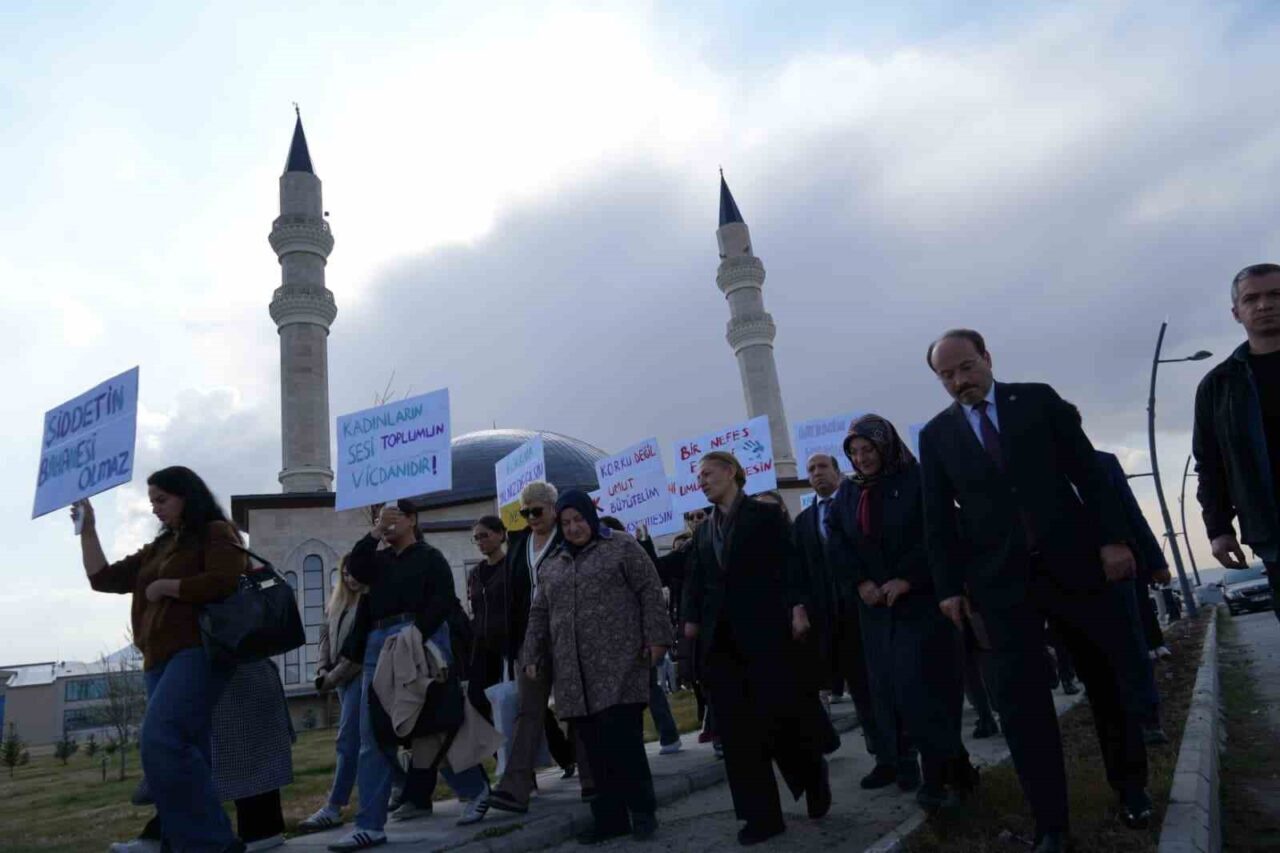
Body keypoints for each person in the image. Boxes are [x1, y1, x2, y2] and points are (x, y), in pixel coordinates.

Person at [919, 329, 1151, 853]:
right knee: (1022, 708)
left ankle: (1131, 788)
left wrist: (1114, 540)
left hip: (1075, 569)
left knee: (1106, 683)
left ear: (987, 359)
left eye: (966, 367)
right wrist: (949, 587)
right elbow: (936, 520)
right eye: (947, 375)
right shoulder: (937, 436)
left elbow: (1090, 476)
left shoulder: (1038, 400)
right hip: (999, 588)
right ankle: (1051, 824)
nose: (960, 381)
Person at [78, 467, 247, 853]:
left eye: (162, 499)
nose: (154, 508)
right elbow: (103, 578)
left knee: (160, 739)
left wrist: (165, 586)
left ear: (187, 496)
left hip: (197, 651)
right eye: (151, 500)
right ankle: (176, 840)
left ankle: (211, 844)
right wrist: (88, 529)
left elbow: (225, 581)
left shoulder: (216, 531)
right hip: (157, 659)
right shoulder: (160, 546)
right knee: (191, 750)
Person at [682, 451, 834, 846]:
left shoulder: (764, 517)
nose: (701, 482)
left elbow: (790, 566)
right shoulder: (702, 532)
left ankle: (812, 776)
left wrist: (798, 607)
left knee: (782, 721)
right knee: (737, 735)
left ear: (731, 472)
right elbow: (696, 584)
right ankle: (760, 816)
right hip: (722, 647)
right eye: (698, 478)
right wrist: (691, 624)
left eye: (708, 474)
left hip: (766, 638)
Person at [827, 416, 978, 812]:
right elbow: (839, 542)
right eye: (854, 453)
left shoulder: (916, 480)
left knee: (925, 693)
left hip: (923, 605)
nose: (862, 459)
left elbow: (939, 532)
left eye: (869, 450)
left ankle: (937, 780)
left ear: (885, 446)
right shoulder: (848, 493)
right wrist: (861, 582)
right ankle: (955, 770)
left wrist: (907, 579)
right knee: (893, 695)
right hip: (876, 613)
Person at [328, 500, 489, 852]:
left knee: (432, 727)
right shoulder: (378, 562)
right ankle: (369, 825)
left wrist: (418, 633)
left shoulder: (430, 558)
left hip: (421, 641)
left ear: (413, 519)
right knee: (375, 735)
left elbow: (444, 598)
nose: (386, 521)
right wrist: (374, 533)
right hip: (380, 648)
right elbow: (357, 569)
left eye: (394, 515)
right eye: (379, 517)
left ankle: (474, 789)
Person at [522, 491, 672, 843]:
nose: (574, 528)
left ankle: (642, 812)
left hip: (620, 664)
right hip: (574, 673)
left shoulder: (620, 546)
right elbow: (539, 613)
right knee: (592, 750)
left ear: (591, 517)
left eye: (579, 520)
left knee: (624, 742)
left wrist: (658, 640)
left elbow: (650, 591)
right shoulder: (553, 563)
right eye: (566, 522)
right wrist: (532, 653)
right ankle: (609, 818)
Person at [483, 482, 583, 817]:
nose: (531, 518)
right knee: (528, 711)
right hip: (530, 640)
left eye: (537, 511)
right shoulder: (519, 543)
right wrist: (514, 647)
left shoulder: (568, 536)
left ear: (553, 508)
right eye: (525, 512)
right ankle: (516, 787)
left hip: (568, 634)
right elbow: (513, 598)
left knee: (575, 708)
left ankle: (595, 779)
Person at [1193, 262, 1280, 625]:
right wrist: (1218, 529)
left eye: (1275, 294)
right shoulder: (1219, 387)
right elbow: (1210, 465)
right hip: (1273, 530)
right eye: (1252, 298)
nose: (1264, 305)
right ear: (1236, 312)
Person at [792, 453, 879, 747]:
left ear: (838, 472)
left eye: (822, 467)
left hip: (868, 608)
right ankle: (881, 753)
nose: (816, 473)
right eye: (811, 469)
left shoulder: (860, 502)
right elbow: (800, 572)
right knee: (859, 688)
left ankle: (904, 753)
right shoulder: (803, 522)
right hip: (831, 619)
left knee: (881, 684)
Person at [1096, 450, 1171, 745]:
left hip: (1121, 570)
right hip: (1070, 575)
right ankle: (1117, 723)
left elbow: (1132, 513)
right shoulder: (1034, 467)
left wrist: (1156, 562)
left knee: (1132, 643)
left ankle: (1148, 719)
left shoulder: (1103, 463)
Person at [600, 516, 683, 756]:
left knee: (647, 689)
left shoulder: (629, 558)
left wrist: (652, 636)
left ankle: (668, 735)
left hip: (637, 638)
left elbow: (649, 593)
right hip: (616, 640)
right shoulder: (602, 562)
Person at [300, 555, 367, 832]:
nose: (350, 578)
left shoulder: (367, 603)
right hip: (337, 679)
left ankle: (334, 807)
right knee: (367, 740)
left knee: (347, 739)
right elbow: (324, 637)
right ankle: (404, 787)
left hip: (357, 676)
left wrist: (332, 677)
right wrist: (321, 671)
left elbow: (358, 652)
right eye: (345, 573)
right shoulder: (336, 601)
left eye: (355, 573)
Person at [467, 516, 510, 719]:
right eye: (476, 538)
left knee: (514, 698)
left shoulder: (510, 567)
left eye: (484, 535)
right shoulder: (475, 573)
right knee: (478, 699)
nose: (480, 541)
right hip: (482, 647)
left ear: (500, 534)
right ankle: (497, 750)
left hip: (507, 644)